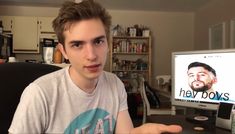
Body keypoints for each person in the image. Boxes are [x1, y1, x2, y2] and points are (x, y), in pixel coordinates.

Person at [8, 0, 182, 133]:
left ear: (108, 44)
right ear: (64, 51)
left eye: (98, 41)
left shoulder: (115, 84)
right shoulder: (39, 94)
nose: (91, 55)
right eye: (77, 45)